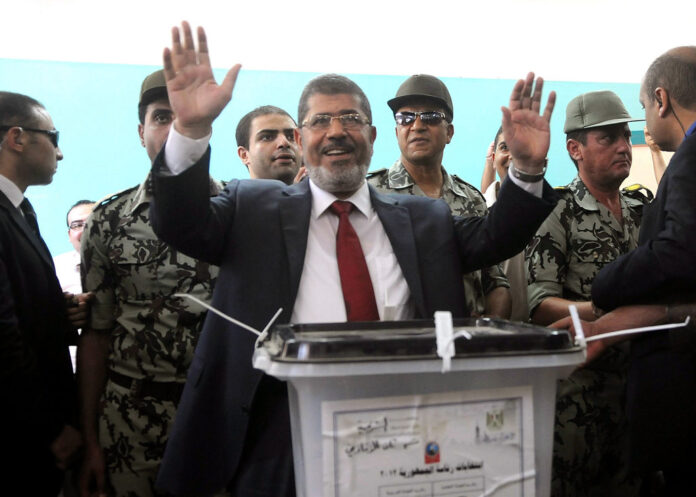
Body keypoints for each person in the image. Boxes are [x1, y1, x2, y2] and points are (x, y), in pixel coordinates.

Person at [150, 23, 557, 497]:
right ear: (300, 137)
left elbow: (497, 236)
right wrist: (191, 131)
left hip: (407, 431)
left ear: (373, 135)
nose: (337, 131)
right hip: (279, 436)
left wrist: (527, 168)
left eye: (351, 119)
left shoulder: (424, 218)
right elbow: (179, 223)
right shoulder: (253, 208)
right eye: (320, 121)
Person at [77, 69, 224, 497]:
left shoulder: (237, 211)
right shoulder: (108, 220)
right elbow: (97, 333)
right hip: (130, 424)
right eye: (161, 117)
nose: (174, 129)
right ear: (141, 133)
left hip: (217, 419)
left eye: (184, 117)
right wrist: (90, 438)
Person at [525, 90, 650, 496]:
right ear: (575, 149)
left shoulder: (642, 211)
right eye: (607, 138)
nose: (623, 146)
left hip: (640, 392)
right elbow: (540, 304)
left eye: (625, 136)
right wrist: (605, 312)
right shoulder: (556, 211)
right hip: (579, 398)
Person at [591, 46, 696, 494]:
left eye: (642, 109)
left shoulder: (691, 155)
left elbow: (678, 252)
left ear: (661, 99)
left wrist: (605, 284)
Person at [368, 74, 511, 318]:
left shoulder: (471, 198)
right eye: (405, 118)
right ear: (396, 131)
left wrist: (488, 328)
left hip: (469, 336)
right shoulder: (372, 195)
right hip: (400, 336)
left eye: (431, 117)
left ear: (449, 133)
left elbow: (495, 283)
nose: (417, 126)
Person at [0, 91, 83, 495]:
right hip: (21, 435)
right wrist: (51, 427)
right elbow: (4, 336)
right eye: (53, 137)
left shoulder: (20, 210)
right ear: (16, 137)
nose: (60, 153)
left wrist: (59, 311)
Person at [479, 126, 529, 321]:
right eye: (505, 147)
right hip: (497, 332)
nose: (513, 156)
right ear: (494, 158)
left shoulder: (555, 211)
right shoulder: (477, 213)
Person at [236, 105, 304, 184]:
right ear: (244, 155)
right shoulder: (227, 191)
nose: (284, 142)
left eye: (291, 137)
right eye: (267, 137)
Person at [53, 199, 95, 294]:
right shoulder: (54, 268)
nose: (86, 230)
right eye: (77, 225)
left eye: (93, 222)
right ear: (69, 235)